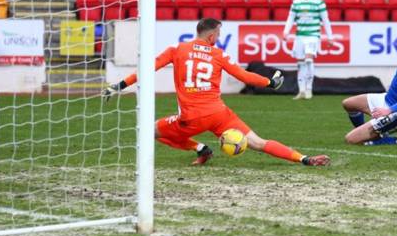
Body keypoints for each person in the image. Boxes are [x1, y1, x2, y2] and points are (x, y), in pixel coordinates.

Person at [103, 18, 330, 166]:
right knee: (258, 142)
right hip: (219, 114)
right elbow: (243, 76)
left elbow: (147, 68)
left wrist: (120, 85)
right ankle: (304, 159)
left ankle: (199, 147)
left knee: (148, 130)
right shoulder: (218, 54)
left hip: (190, 118)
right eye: (218, 35)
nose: (218, 38)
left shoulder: (176, 50)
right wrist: (270, 82)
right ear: (211, 36)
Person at [283, 0, 333, 100]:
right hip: (300, 36)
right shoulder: (296, 3)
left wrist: (330, 37)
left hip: (313, 36)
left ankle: (309, 89)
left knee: (309, 60)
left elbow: (325, 20)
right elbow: (291, 18)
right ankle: (302, 90)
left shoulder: (319, 3)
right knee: (300, 64)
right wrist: (286, 32)